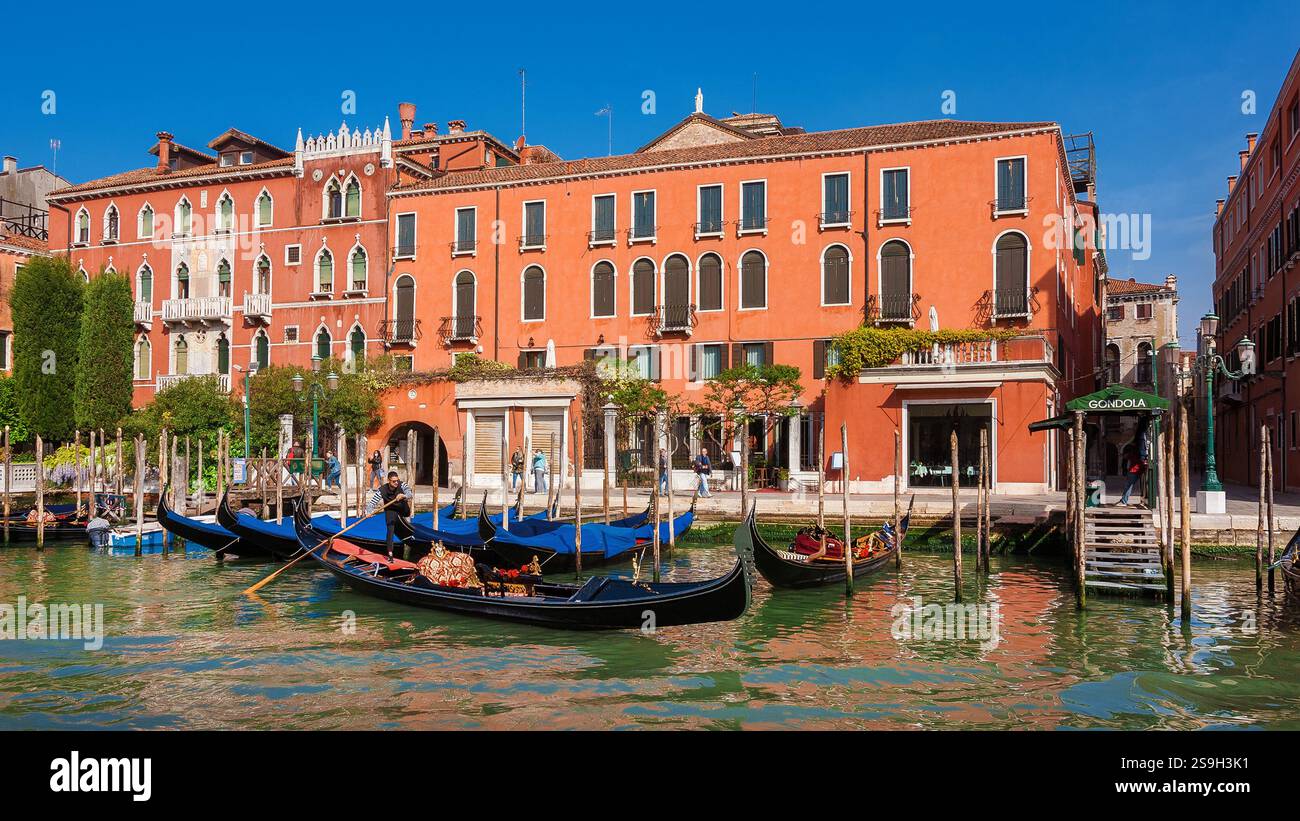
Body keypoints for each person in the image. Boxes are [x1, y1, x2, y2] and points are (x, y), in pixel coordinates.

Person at [379, 470, 411, 559]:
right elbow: (372, 502)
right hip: (391, 509)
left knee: (406, 530)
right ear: (389, 481)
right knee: (390, 529)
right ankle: (390, 553)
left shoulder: (402, 485)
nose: (396, 482)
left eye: (397, 480)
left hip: (403, 509)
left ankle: (408, 550)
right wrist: (369, 511)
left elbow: (409, 493)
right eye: (394, 481)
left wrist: (403, 495)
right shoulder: (382, 489)